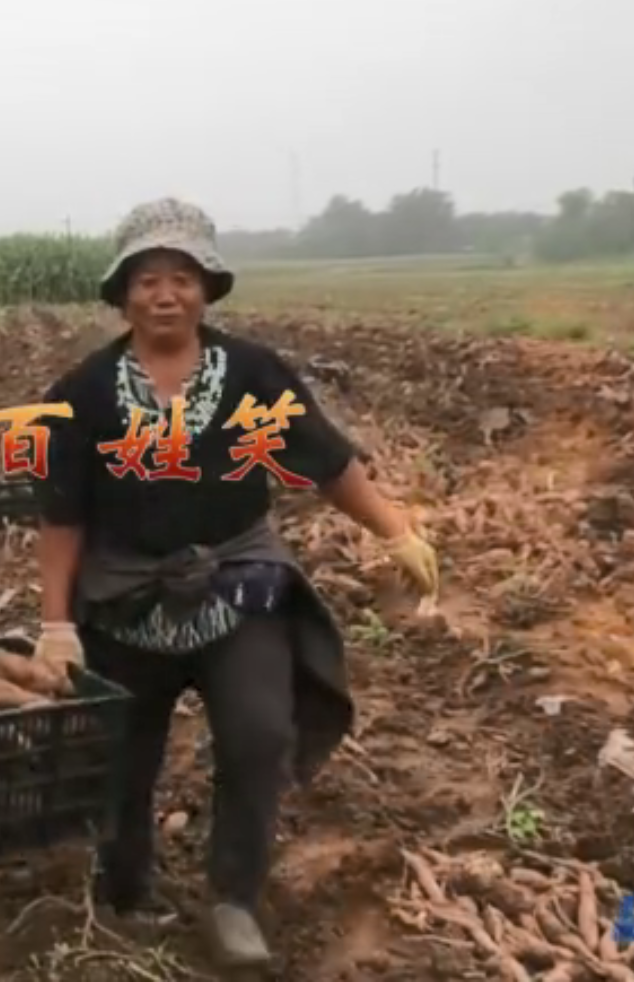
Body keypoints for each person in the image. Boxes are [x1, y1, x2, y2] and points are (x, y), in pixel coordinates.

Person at [28, 198, 439, 968]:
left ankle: (233, 899)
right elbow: (60, 516)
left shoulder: (252, 373)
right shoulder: (81, 391)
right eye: (147, 279)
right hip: (125, 596)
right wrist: (55, 623)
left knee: (258, 733)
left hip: (237, 585)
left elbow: (326, 461)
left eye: (181, 278)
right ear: (122, 293)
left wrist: (393, 529)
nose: (164, 295)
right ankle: (125, 887)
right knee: (123, 754)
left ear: (207, 288)